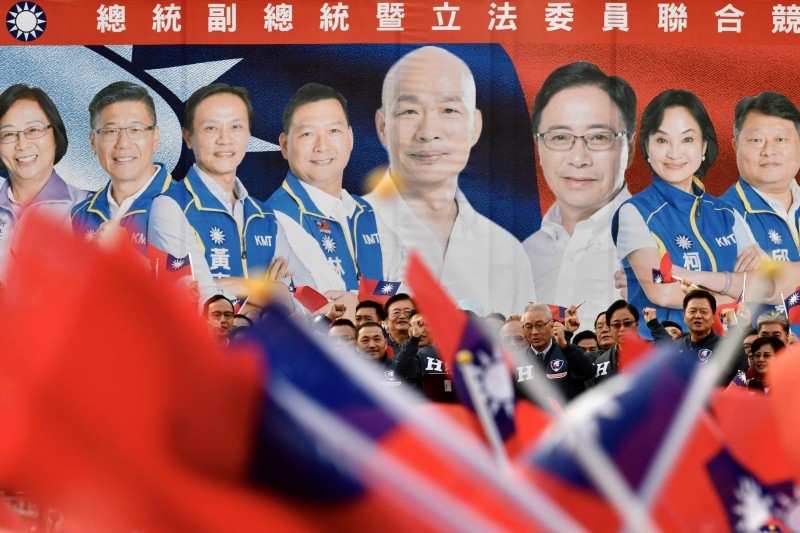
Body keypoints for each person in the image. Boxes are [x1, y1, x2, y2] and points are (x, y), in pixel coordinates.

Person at [364, 45, 535, 316]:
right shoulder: (348, 231)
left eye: (449, 110)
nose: (428, 132)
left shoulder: (507, 252)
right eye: (409, 111)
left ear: (475, 127)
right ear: (383, 127)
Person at [612, 89, 765, 337]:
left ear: (704, 145)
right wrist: (731, 294)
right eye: (662, 140)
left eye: (687, 139)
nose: (675, 152)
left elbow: (761, 286)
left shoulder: (727, 213)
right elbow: (662, 291)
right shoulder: (635, 212)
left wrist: (685, 276)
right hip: (664, 355)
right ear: (647, 147)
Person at [145, 83, 310, 308]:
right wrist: (270, 289)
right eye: (211, 128)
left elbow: (313, 300)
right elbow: (200, 301)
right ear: (188, 137)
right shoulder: (170, 206)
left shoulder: (264, 216)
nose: (225, 139)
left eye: (236, 127)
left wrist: (233, 286)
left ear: (248, 134)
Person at [523, 61, 636, 328]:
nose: (578, 158)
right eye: (560, 137)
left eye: (598, 137)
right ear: (538, 146)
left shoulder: (659, 244)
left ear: (629, 148)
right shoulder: (521, 256)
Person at [266, 83, 383, 293]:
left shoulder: (368, 211)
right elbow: (325, 302)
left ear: (350, 138)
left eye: (333, 131)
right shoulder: (274, 220)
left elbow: (410, 289)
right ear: (284, 146)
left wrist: (361, 301)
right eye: (307, 134)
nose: (322, 146)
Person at [72, 81, 172, 256]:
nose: (123, 143)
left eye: (136, 129)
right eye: (110, 131)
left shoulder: (189, 206)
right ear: (93, 142)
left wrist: (126, 254)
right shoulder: (80, 214)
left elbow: (203, 282)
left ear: (155, 137)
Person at [0, 84, 90, 279]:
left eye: (33, 130)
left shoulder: (92, 209)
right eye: (7, 134)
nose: (22, 144)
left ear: (56, 136)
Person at [720, 92, 800, 303]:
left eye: (781, 139)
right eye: (756, 140)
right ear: (736, 146)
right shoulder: (722, 216)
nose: (769, 151)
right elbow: (768, 286)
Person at [515, 303, 595, 404]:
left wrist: (565, 345)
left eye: (539, 325)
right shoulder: (516, 360)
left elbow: (587, 372)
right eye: (529, 326)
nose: (534, 332)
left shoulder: (568, 351)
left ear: (551, 325)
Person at [675, 289, 748, 385]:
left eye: (703, 312)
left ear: (713, 318)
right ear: (684, 317)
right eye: (692, 311)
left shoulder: (726, 346)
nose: (698, 316)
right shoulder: (674, 347)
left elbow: (742, 369)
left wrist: (733, 326)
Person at [355, 321, 401, 388]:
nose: (372, 345)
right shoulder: (347, 372)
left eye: (377, 339)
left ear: (385, 343)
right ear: (357, 345)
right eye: (365, 340)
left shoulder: (399, 369)